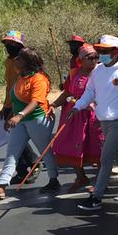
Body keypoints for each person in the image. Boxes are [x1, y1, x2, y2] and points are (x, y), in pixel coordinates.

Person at [0, 48, 60, 199]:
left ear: (27, 62)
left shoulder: (39, 79)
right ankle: (1, 187)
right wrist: (11, 116)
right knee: (12, 152)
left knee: (44, 150)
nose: (15, 60)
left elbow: (36, 102)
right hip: (21, 120)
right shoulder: (20, 77)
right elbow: (16, 100)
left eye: (18, 58)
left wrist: (19, 116)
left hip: (38, 120)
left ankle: (53, 179)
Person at [71, 35, 118, 211]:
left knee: (106, 158)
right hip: (104, 120)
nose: (101, 54)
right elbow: (90, 92)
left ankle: (97, 196)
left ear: (116, 52)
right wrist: (78, 106)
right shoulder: (98, 70)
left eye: (105, 51)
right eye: (99, 50)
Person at [49, 44, 103, 192]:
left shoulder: (101, 72)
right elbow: (67, 93)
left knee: (97, 146)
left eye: (96, 57)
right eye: (89, 58)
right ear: (81, 59)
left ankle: (100, 181)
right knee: (73, 146)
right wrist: (53, 104)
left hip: (94, 115)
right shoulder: (74, 73)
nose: (94, 61)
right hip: (74, 113)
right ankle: (81, 177)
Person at [0, 30, 40, 185]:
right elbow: (9, 85)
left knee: (17, 137)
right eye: (7, 44)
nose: (8, 47)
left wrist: (17, 109)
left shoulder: (23, 62)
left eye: (12, 44)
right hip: (11, 102)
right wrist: (5, 105)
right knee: (14, 137)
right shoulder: (8, 62)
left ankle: (33, 161)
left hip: (21, 105)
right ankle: (23, 170)